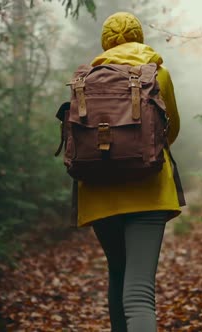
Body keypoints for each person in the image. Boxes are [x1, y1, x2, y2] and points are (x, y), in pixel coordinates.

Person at [74, 12, 185, 332]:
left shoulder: (88, 78)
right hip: (148, 188)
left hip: (97, 190)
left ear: (105, 42)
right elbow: (171, 128)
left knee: (118, 273)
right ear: (140, 37)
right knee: (138, 293)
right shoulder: (157, 74)